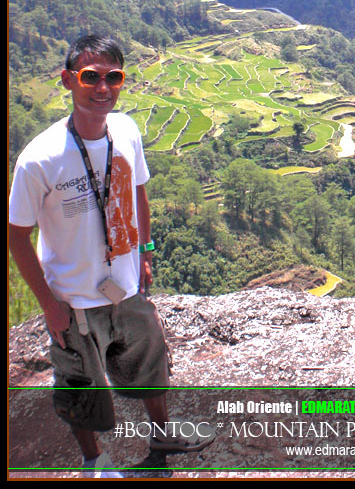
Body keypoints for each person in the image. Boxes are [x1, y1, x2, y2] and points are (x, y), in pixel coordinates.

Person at [9, 35, 212, 477]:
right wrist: (49, 306)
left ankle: (162, 432)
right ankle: (93, 460)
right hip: (75, 299)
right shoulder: (39, 159)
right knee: (81, 386)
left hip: (125, 285)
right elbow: (16, 236)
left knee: (149, 360)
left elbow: (139, 191)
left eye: (113, 77)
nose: (103, 87)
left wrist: (145, 252)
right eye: (91, 77)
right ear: (67, 80)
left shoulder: (126, 131)